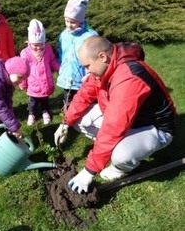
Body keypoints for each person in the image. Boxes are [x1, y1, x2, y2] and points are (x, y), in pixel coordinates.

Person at [54, 35, 177, 194]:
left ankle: (121, 167)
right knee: (79, 119)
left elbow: (114, 125)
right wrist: (65, 123)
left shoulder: (128, 76)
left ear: (102, 57)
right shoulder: (102, 70)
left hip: (154, 128)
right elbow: (84, 95)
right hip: (128, 121)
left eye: (87, 65)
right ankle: (110, 147)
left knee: (121, 155)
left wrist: (89, 170)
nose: (86, 71)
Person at [56, 0, 98, 107]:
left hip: (82, 77)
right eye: (66, 21)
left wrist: (90, 73)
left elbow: (94, 58)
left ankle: (83, 122)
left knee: (83, 102)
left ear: (81, 20)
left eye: (73, 22)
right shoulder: (63, 35)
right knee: (68, 101)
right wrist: (60, 67)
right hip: (67, 75)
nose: (69, 25)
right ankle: (67, 120)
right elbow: (61, 53)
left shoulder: (89, 36)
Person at [19, 19, 60, 125]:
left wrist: (59, 68)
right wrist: (23, 83)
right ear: (29, 42)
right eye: (35, 45)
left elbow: (52, 61)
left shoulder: (48, 49)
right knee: (32, 102)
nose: (38, 47)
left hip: (46, 82)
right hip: (33, 84)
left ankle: (45, 112)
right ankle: (31, 114)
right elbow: (23, 70)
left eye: (41, 44)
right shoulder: (25, 53)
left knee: (45, 100)